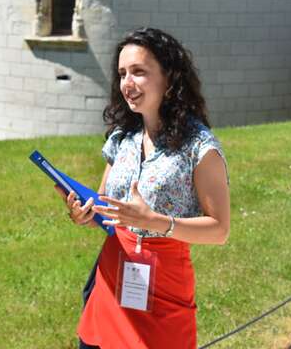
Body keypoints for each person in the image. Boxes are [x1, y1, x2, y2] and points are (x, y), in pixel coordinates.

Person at [54, 27, 230, 349]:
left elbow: (219, 230)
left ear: (169, 77)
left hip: (164, 285)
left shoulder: (200, 147)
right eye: (122, 73)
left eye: (139, 72)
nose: (127, 84)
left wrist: (154, 222)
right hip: (112, 276)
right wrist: (86, 212)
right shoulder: (123, 138)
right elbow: (108, 207)